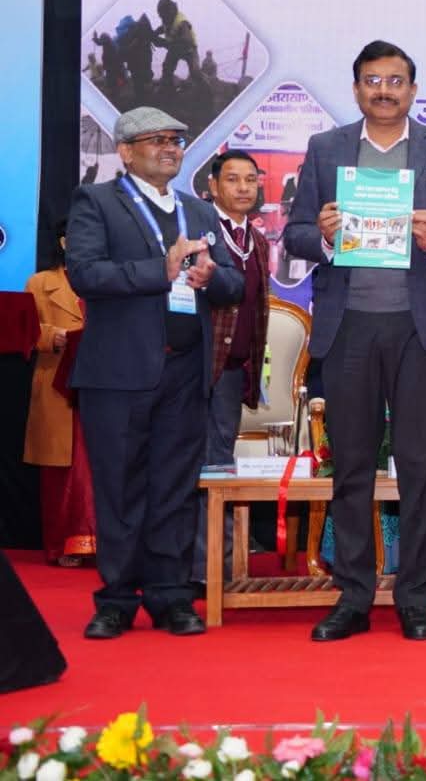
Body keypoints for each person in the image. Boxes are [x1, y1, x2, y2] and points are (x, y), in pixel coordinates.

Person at [283, 40, 426, 642]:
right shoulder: (327, 148)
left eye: (395, 81)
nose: (383, 90)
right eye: (372, 80)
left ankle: (415, 598)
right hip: (349, 325)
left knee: (419, 466)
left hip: (418, 328)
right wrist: (322, 236)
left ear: (412, 90)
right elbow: (294, 233)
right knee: (351, 466)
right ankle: (352, 597)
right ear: (356, 90)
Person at [65, 106, 244, 639]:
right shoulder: (96, 201)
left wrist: (210, 277)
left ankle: (171, 596)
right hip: (118, 374)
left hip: (186, 371)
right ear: (125, 151)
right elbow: (85, 274)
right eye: (156, 139)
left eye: (176, 139)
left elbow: (234, 285)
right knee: (120, 489)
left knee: (175, 487)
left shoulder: (199, 210)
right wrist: (159, 271)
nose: (170, 148)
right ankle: (117, 599)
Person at [193, 150, 271, 586]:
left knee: (217, 467)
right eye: (232, 179)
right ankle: (195, 571)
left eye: (251, 180)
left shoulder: (258, 239)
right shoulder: (197, 234)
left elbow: (256, 311)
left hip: (233, 371)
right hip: (192, 366)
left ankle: (211, 571)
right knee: (190, 466)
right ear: (213, 186)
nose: (243, 188)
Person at [23, 221, 94, 566]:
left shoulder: (108, 281)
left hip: (101, 387)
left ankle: (103, 545)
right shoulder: (40, 283)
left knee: (100, 470)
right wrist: (54, 335)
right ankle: (61, 545)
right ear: (64, 242)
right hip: (57, 385)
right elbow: (24, 329)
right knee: (59, 474)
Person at [154, 0, 204, 91]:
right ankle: (166, 88)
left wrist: (163, 43)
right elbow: (163, 28)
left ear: (169, 11)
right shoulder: (167, 19)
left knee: (195, 72)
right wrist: (154, 33)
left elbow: (187, 40)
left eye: (163, 15)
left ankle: (204, 89)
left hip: (189, 50)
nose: (162, 18)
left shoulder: (181, 22)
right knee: (167, 68)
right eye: (161, 16)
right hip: (174, 48)